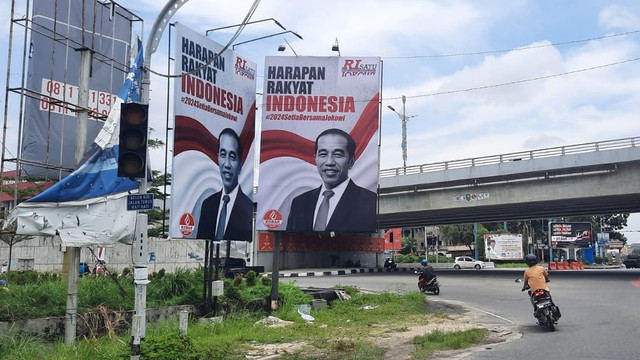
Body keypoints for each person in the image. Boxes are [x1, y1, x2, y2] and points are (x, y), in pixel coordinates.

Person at [286, 128, 377, 233]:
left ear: (351, 162)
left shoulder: (370, 202)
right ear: (315, 159)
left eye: (337, 154)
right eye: (323, 154)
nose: (329, 162)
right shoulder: (299, 203)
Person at [197, 128, 253, 241]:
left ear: (240, 164)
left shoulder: (248, 208)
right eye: (223, 155)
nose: (227, 164)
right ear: (218, 158)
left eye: (232, 157)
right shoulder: (207, 205)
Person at [522, 253, 561, 319]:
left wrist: (524, 288)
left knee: (534, 302)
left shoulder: (527, 271)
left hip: (534, 291)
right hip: (544, 289)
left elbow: (525, 282)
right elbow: (546, 276)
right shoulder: (541, 268)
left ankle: (537, 310)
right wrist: (547, 280)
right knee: (550, 300)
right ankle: (553, 308)